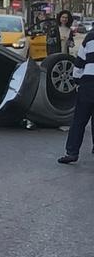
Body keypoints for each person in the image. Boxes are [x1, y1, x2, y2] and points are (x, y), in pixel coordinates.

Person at [58, 28, 94, 164]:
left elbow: (79, 62)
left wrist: (77, 80)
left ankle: (72, 152)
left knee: (79, 119)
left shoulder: (90, 37)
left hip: (88, 83)